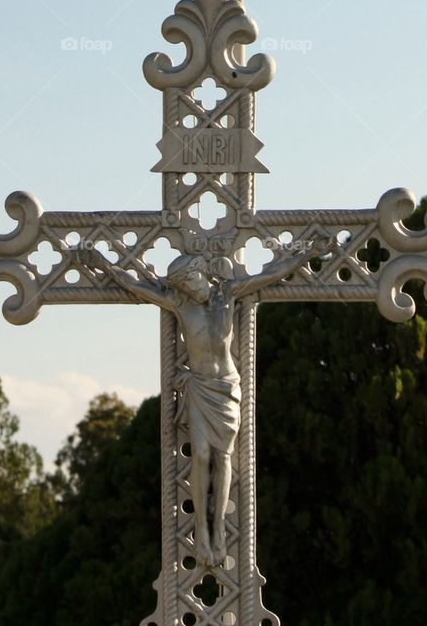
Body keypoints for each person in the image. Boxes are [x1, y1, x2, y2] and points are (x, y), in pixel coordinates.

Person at [74, 232, 335, 566]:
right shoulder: (180, 305)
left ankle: (219, 529)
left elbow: (271, 274)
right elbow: (135, 285)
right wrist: (102, 264)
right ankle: (201, 529)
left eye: (192, 280)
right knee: (200, 455)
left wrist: (307, 253)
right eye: (185, 284)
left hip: (226, 387)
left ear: (201, 274)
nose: (192, 287)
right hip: (199, 387)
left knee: (224, 458)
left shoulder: (228, 294)